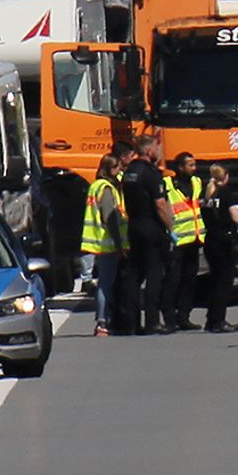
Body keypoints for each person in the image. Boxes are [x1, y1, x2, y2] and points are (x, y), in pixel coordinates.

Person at [121, 135, 175, 334]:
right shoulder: (151, 173)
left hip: (134, 226)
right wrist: (171, 228)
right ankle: (152, 321)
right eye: (156, 148)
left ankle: (132, 322)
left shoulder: (129, 172)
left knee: (134, 275)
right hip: (151, 226)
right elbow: (160, 205)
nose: (158, 151)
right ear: (149, 150)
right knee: (154, 275)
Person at [80, 153, 128, 336]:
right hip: (107, 243)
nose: (120, 171)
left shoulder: (96, 186)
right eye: (117, 168)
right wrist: (119, 244)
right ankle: (102, 322)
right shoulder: (106, 188)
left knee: (105, 284)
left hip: (100, 242)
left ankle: (103, 319)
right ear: (109, 169)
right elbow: (111, 218)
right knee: (106, 284)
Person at [161, 151, 204, 331]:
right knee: (173, 279)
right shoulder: (167, 184)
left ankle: (184, 316)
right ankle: (169, 318)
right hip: (176, 239)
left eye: (194, 165)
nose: (194, 168)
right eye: (190, 165)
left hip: (194, 237)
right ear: (180, 167)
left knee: (189, 279)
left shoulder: (197, 182)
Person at [198, 163, 238, 333]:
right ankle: (219, 320)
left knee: (214, 281)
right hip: (225, 241)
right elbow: (236, 217)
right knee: (224, 283)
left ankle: (211, 319)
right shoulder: (226, 193)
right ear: (226, 177)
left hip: (210, 239)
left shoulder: (206, 194)